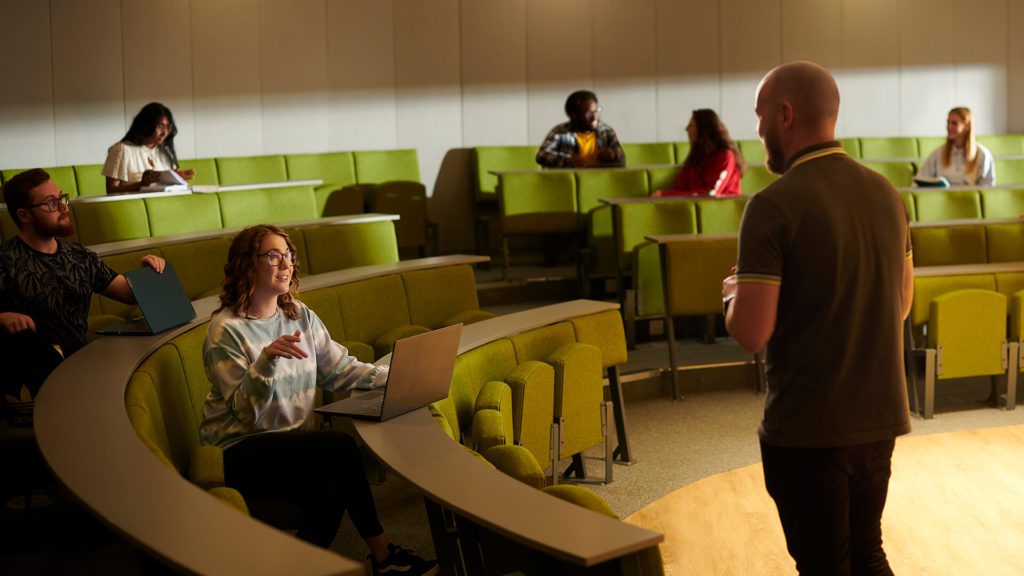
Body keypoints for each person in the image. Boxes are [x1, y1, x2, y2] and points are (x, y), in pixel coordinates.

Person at [722, 62, 914, 575]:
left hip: (810, 428)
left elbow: (751, 332)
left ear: (786, 115)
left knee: (826, 565)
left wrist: (732, 294)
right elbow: (902, 305)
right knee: (867, 551)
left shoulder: (771, 206)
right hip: (880, 418)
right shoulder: (887, 195)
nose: (758, 130)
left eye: (761, 116)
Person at [199, 224, 437, 575]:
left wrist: (399, 379)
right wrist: (265, 362)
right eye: (274, 255)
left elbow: (340, 369)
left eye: (289, 255)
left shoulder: (298, 314)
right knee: (340, 451)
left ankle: (309, 565)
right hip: (240, 448)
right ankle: (382, 558)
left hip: (293, 445)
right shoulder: (225, 330)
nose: (286, 264)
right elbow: (248, 416)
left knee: (332, 485)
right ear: (248, 265)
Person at [0, 168, 165, 422]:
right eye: (51, 203)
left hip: (79, 368)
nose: (64, 207)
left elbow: (128, 293)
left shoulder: (79, 256)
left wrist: (148, 273)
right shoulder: (6, 260)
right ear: (24, 215)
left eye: (61, 198)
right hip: (31, 382)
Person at [102, 102, 195, 194]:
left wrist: (176, 179)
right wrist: (141, 185)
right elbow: (111, 190)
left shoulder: (164, 151)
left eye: (167, 127)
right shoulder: (122, 149)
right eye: (160, 126)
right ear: (147, 125)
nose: (165, 133)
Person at [653, 109, 744, 197]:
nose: (686, 129)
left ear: (703, 130)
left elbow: (711, 194)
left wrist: (665, 195)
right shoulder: (696, 156)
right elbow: (681, 189)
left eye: (691, 126)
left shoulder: (725, 156)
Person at [536, 90, 625, 168]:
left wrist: (613, 154)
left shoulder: (606, 130)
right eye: (588, 113)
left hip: (600, 181)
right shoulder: (560, 132)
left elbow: (622, 156)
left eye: (596, 111)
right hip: (570, 184)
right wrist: (567, 160)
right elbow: (541, 156)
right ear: (573, 115)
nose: (594, 117)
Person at [915, 106, 995, 186]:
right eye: (948, 122)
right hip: (943, 198)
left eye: (954, 123)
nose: (949, 127)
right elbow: (921, 178)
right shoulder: (938, 153)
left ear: (967, 126)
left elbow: (987, 187)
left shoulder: (982, 154)